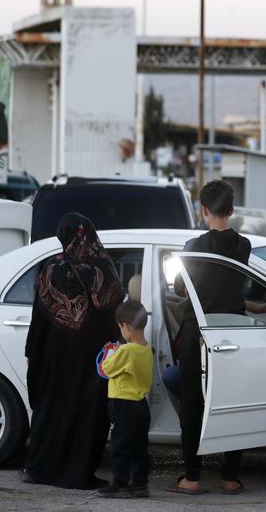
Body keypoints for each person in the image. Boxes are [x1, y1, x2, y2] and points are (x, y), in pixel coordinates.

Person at [22, 213, 124, 489]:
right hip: (91, 359)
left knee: (51, 410)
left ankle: (38, 469)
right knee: (87, 415)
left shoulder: (50, 267)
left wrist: (32, 353)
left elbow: (38, 317)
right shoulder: (103, 268)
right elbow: (115, 314)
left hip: (53, 356)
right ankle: (77, 474)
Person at [168, 180, 249, 496]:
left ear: (203, 210)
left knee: (192, 402)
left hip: (198, 332)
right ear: (231, 210)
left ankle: (192, 476)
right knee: (232, 402)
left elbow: (179, 288)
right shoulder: (244, 246)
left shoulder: (194, 246)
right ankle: (230, 477)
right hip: (233, 330)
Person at [97, 300, 153, 499]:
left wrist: (109, 351)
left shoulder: (127, 351)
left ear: (126, 326)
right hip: (140, 404)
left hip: (122, 404)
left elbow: (105, 368)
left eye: (120, 327)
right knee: (139, 447)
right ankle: (140, 484)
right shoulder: (146, 349)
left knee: (120, 445)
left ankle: (120, 484)